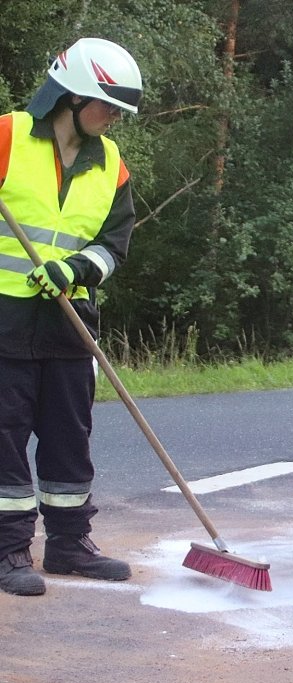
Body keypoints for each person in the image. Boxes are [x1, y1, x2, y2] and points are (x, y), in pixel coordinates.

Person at [0, 38, 142, 596]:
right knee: (4, 438)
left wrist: (77, 268)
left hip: (68, 320)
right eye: (106, 107)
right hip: (3, 321)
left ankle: (68, 543)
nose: (111, 120)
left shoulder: (110, 164)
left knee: (68, 437)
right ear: (72, 95)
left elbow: (115, 243)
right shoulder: (8, 137)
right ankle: (9, 549)